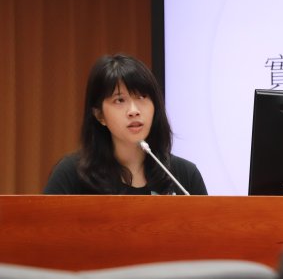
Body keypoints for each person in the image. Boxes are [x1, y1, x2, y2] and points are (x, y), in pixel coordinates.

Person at [44, 54, 207, 195]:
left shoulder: (184, 175)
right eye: (119, 100)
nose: (133, 111)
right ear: (100, 115)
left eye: (142, 97)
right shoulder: (72, 175)